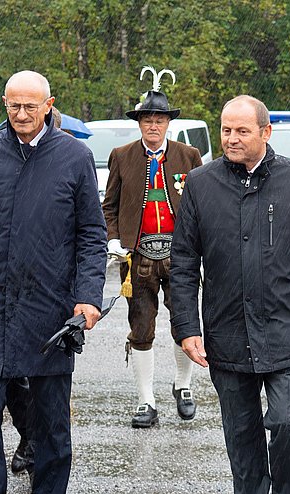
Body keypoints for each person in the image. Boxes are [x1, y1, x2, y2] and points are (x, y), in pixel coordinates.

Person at [170, 95, 290, 494]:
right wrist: (186, 326)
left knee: (287, 425)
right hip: (227, 333)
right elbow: (183, 262)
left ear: (266, 132)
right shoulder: (201, 184)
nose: (231, 139)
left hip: (284, 331)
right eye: (225, 130)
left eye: (242, 131)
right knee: (242, 440)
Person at [0, 70, 107, 493]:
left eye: (30, 106)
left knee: (51, 420)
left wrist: (88, 298)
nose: (21, 114)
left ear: (49, 105)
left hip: (51, 307)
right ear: (4, 104)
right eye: (13, 105)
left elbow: (92, 234)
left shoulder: (74, 157)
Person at [101, 73, 201, 428]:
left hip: (182, 256)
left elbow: (203, 206)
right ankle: (146, 400)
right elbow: (108, 206)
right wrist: (113, 239)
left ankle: (184, 386)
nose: (153, 126)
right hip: (137, 257)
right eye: (147, 120)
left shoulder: (189, 156)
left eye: (159, 120)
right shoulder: (122, 156)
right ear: (140, 123)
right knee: (141, 328)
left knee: (185, 322)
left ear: (169, 123)